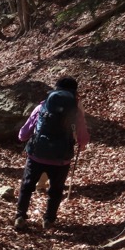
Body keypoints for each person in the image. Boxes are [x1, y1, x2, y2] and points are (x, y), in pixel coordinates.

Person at [14, 77, 90, 230]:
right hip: (61, 159)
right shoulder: (75, 112)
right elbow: (83, 138)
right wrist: (81, 144)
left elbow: (23, 134)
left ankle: (20, 216)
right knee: (56, 190)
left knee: (27, 186)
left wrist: (24, 137)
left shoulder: (41, 107)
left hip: (36, 155)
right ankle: (49, 220)